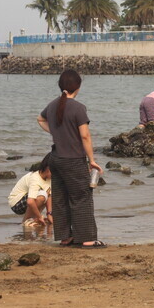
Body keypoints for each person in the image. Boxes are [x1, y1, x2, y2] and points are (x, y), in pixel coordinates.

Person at [37, 69, 105, 249]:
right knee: (81, 197)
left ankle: (65, 237)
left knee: (60, 198)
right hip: (73, 160)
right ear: (78, 86)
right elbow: (85, 136)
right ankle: (88, 239)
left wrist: (57, 133)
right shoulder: (78, 108)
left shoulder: (52, 105)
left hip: (56, 159)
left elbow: (40, 119)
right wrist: (92, 159)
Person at [8, 154, 53, 227]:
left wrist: (49, 214)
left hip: (29, 199)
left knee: (46, 193)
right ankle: (26, 220)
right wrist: (39, 216)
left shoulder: (48, 178)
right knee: (42, 195)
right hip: (16, 203)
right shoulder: (35, 178)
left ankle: (34, 218)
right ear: (48, 169)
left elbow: (49, 196)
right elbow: (30, 201)